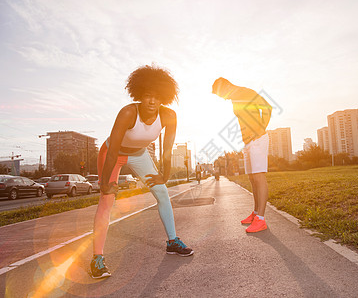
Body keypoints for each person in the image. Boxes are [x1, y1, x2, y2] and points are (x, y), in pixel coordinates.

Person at [91, 65, 194, 279]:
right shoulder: (128, 112)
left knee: (163, 194)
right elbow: (112, 151)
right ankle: (97, 259)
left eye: (157, 97)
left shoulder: (169, 116)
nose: (152, 101)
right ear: (139, 95)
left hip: (139, 155)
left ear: (164, 98)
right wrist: (104, 183)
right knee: (107, 201)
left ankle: (172, 241)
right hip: (112, 153)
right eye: (147, 96)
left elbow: (167, 150)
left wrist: (164, 176)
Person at [212, 78, 272, 233]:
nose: (223, 98)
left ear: (226, 86)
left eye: (222, 94)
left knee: (258, 177)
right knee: (252, 178)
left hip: (257, 139)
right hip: (248, 142)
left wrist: (260, 129)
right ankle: (256, 213)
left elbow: (267, 107)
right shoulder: (234, 99)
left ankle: (261, 219)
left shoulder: (245, 92)